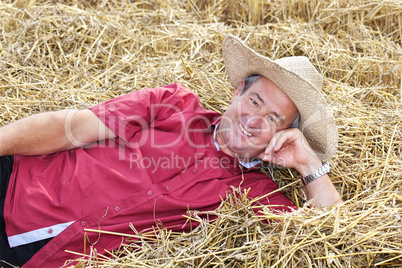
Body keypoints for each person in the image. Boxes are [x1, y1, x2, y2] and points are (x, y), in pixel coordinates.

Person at [0, 35, 342, 267]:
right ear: (238, 91)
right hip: (15, 191)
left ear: (285, 133)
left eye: (273, 118)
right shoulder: (172, 105)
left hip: (51, 257)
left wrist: (308, 163)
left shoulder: (254, 193)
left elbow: (330, 239)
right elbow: (67, 127)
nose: (253, 120)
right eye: (254, 101)